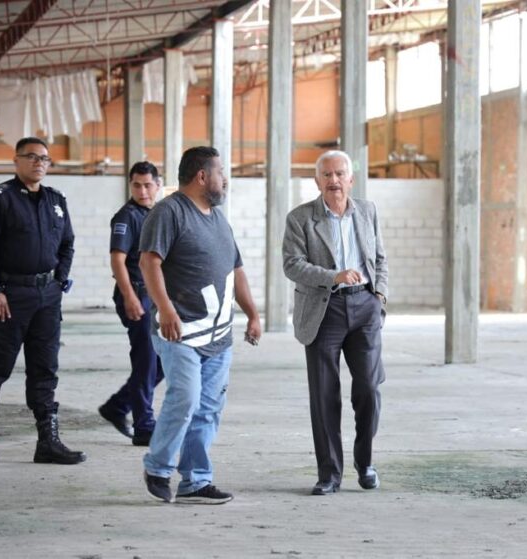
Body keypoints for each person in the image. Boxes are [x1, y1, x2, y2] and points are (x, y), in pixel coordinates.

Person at [140, 146, 261, 504]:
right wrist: (165, 309)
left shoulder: (218, 219)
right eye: (221, 172)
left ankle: (194, 481)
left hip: (219, 336)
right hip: (181, 332)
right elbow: (149, 262)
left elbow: (236, 270)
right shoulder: (169, 212)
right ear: (202, 176)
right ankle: (158, 467)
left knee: (208, 410)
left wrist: (252, 313)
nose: (226, 179)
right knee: (186, 398)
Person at [0, 136, 85, 465]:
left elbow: (67, 243)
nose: (39, 163)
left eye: (45, 158)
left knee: (45, 367)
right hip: (11, 296)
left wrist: (59, 280)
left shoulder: (56, 200)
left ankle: (47, 442)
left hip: (48, 297)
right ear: (16, 161)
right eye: (32, 157)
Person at [282, 150, 388, 495]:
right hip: (323, 310)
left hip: (364, 307)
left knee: (369, 388)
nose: (334, 180)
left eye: (340, 174)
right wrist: (334, 276)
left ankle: (365, 462)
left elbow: (380, 258)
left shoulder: (368, 211)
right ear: (317, 181)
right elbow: (292, 264)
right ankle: (329, 474)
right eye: (326, 175)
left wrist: (379, 295)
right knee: (325, 394)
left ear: (351, 179)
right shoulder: (300, 218)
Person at [98, 162, 165, 446]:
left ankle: (118, 406)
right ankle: (144, 427)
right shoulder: (126, 216)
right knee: (146, 360)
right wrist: (130, 296)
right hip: (137, 293)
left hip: (157, 297)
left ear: (158, 185)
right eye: (137, 185)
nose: (142, 190)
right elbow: (117, 260)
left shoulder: (157, 213)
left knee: (162, 362)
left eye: (148, 185)